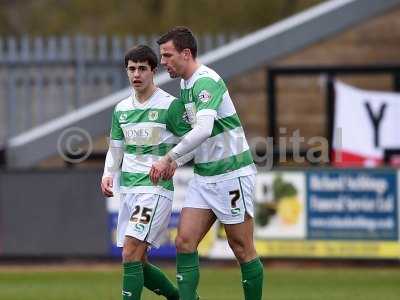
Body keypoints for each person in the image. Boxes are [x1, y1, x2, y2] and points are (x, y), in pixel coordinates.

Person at [150, 26, 264, 300]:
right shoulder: (186, 85)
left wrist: (170, 157)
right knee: (184, 241)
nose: (163, 62)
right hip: (204, 177)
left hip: (231, 174)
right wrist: (181, 160)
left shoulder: (206, 81)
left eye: (167, 55)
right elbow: (202, 138)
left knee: (242, 248)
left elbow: (203, 129)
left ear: (186, 53)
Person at [101, 44, 191, 300]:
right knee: (135, 260)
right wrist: (108, 174)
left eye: (142, 68)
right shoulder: (121, 109)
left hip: (154, 190)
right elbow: (116, 149)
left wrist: (173, 161)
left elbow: (193, 142)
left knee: (130, 251)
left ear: (154, 71)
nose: (136, 74)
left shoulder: (170, 106)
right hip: (128, 190)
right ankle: (178, 297)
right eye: (131, 69)